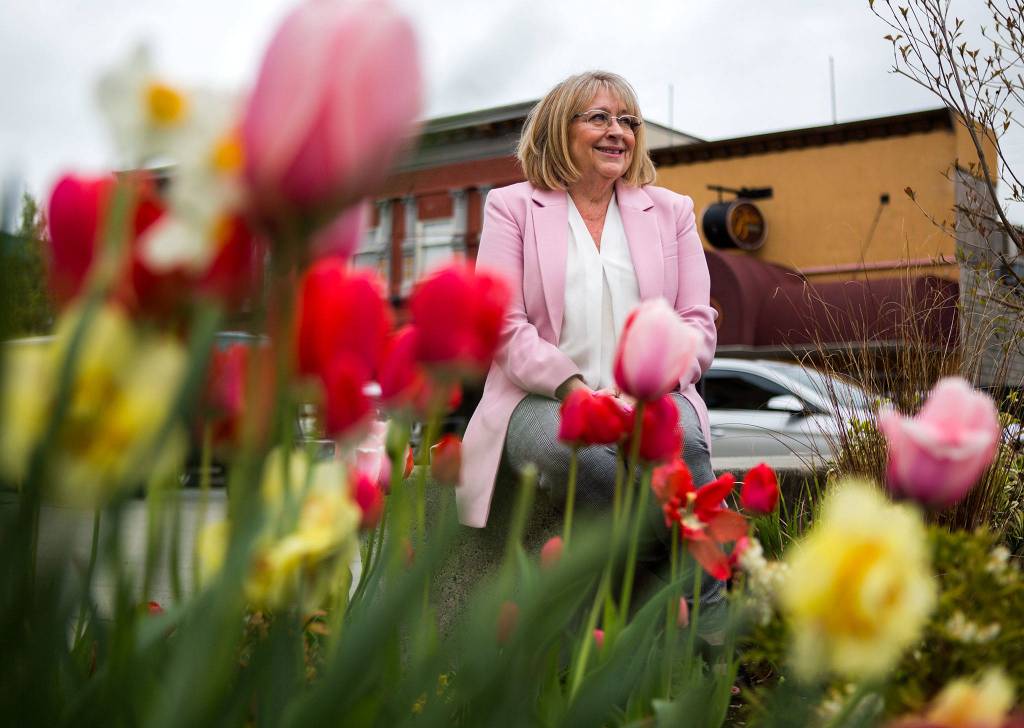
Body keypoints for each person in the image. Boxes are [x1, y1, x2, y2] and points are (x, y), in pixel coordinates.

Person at [457, 71, 718, 554]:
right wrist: (575, 390)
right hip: (540, 398)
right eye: (599, 117)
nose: (617, 131)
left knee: (687, 450)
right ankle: (653, 594)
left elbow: (696, 321)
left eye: (628, 121)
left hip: (651, 391)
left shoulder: (673, 211)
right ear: (560, 128)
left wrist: (650, 385)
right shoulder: (511, 207)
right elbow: (504, 326)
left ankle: (709, 618)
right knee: (588, 463)